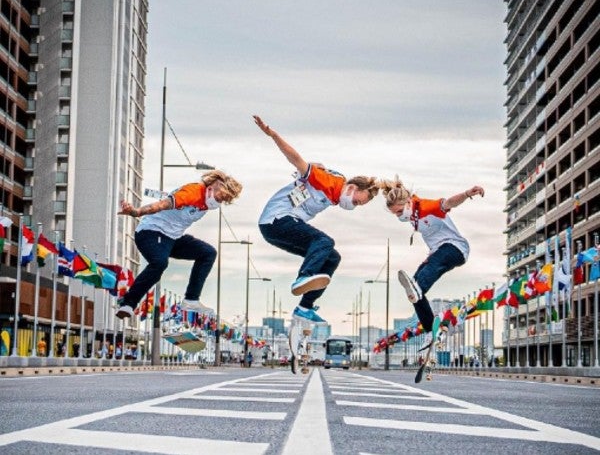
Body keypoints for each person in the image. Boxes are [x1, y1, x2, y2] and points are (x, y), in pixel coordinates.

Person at [254, 115, 379, 324]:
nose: (353, 207)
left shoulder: (334, 188)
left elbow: (319, 166)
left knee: (332, 257)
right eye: (357, 202)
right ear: (351, 188)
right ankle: (304, 277)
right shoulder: (328, 182)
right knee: (325, 242)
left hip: (281, 227)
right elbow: (296, 160)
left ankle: (304, 307)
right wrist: (273, 135)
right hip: (276, 220)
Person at [116, 170, 243, 319]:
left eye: (222, 201)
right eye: (219, 197)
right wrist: (136, 212)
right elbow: (161, 205)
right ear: (212, 187)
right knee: (159, 263)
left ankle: (191, 299)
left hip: (172, 239)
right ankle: (128, 303)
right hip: (151, 233)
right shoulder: (193, 192)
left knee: (208, 253)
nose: (217, 202)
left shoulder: (205, 203)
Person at [379, 177, 485, 345]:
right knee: (414, 290)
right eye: (395, 214)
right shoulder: (412, 215)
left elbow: (448, 202)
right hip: (439, 252)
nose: (399, 216)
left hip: (455, 248)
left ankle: (422, 298)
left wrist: (466, 194)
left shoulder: (427, 207)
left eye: (399, 212)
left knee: (418, 287)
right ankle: (430, 331)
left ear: (408, 202)